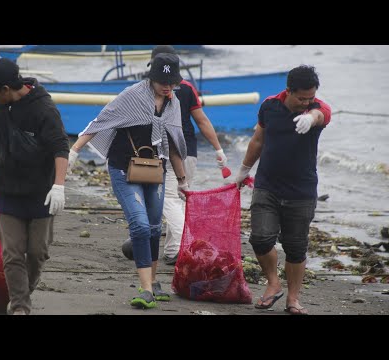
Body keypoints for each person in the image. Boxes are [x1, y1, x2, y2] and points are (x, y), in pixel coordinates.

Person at [67, 53, 188, 309]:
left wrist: (183, 181)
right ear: (151, 77)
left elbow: (174, 143)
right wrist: (74, 151)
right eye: (162, 80)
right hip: (123, 168)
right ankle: (145, 289)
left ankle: (154, 283)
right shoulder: (132, 95)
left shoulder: (173, 103)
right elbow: (101, 121)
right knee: (141, 226)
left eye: (172, 81)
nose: (167, 86)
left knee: (155, 228)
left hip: (156, 171)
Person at [0, 58, 69, 315]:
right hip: (8, 190)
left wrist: (58, 186)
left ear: (5, 88)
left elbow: (61, 148)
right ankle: (20, 307)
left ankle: (23, 290)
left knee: (37, 253)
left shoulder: (44, 109)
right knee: (12, 254)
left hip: (41, 192)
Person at [235, 65, 331, 315]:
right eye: (302, 98)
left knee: (296, 247)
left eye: (310, 97)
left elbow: (323, 114)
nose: (306, 102)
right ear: (288, 91)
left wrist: (311, 117)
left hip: (302, 191)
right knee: (260, 237)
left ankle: (293, 299)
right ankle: (273, 284)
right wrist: (244, 170)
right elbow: (258, 139)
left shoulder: (316, 110)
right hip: (267, 186)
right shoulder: (269, 106)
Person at [150, 45, 228, 265]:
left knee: (169, 199)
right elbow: (201, 120)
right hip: (189, 152)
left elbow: (202, 120)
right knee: (179, 199)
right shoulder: (186, 88)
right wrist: (218, 149)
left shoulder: (153, 89)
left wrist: (218, 148)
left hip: (172, 151)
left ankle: (185, 246)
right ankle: (173, 251)